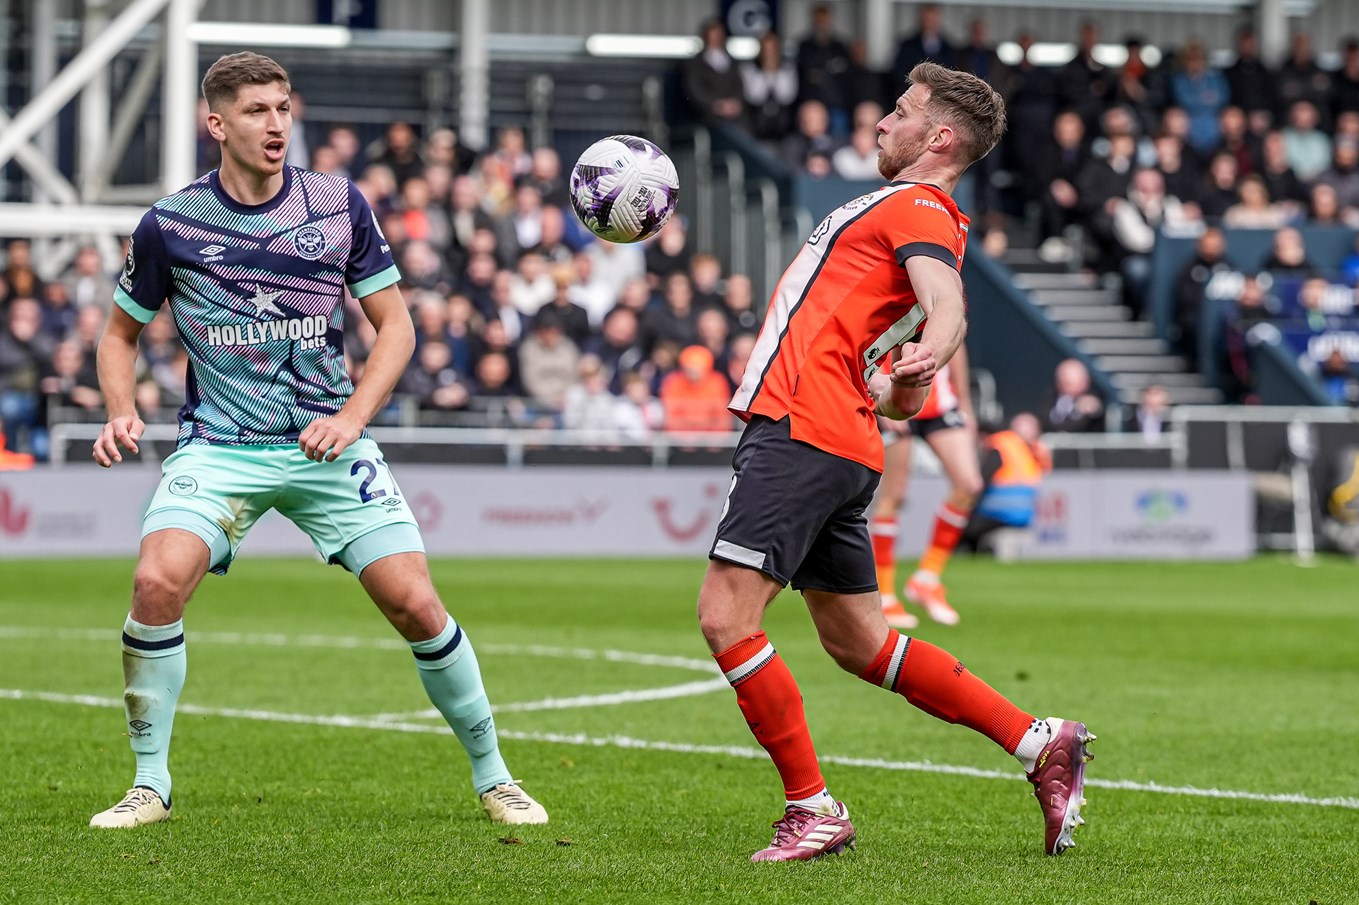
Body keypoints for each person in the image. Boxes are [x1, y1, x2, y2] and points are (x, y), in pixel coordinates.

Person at [88, 52, 547, 830]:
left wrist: (354, 417)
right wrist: (119, 408)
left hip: (327, 441)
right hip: (221, 443)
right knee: (155, 583)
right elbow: (116, 334)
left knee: (415, 603)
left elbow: (395, 325)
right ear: (217, 123)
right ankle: (149, 783)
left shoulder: (337, 204)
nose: (276, 123)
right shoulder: (170, 223)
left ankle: (495, 775)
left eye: (283, 107)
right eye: (259, 110)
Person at [697, 62, 1094, 864]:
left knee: (725, 616)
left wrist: (934, 348)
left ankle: (812, 807)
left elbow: (944, 304)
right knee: (861, 643)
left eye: (900, 112)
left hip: (801, 430)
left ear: (938, 137)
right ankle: (1036, 740)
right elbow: (904, 395)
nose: (882, 122)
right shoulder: (904, 210)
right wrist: (906, 374)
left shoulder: (918, 206)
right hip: (840, 434)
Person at [870, 353, 981, 629]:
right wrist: (875, 393)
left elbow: (954, 337)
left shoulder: (938, 307)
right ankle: (884, 595)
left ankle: (927, 579)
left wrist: (965, 403)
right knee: (893, 496)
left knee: (969, 484)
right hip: (893, 395)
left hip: (938, 402)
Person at [960, 412, 1052, 553]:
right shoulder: (1023, 448)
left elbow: (982, 481)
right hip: (1025, 513)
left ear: (982, 436)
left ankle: (976, 558)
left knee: (965, 528)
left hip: (1001, 512)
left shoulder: (999, 445)